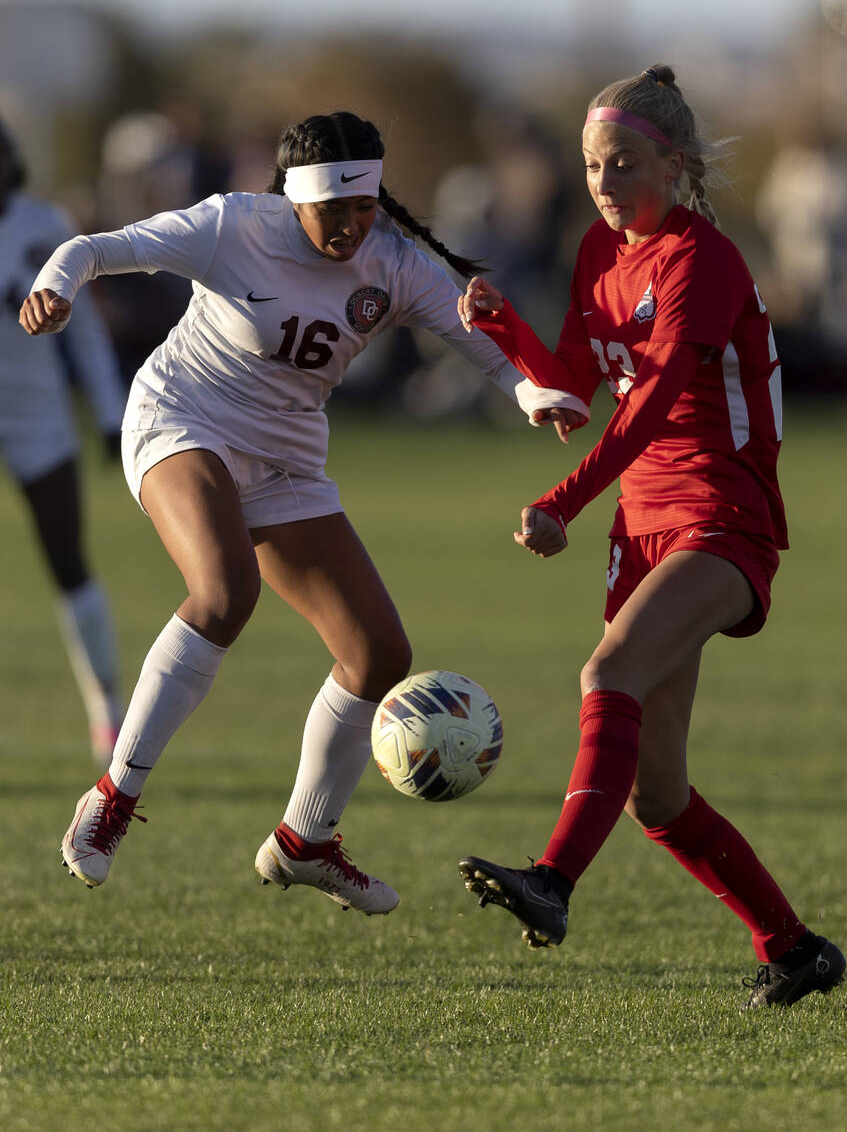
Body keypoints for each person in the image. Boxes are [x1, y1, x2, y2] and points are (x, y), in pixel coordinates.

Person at [21, 111, 585, 916]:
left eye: (363, 208)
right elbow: (97, 248)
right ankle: (113, 795)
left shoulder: (392, 262)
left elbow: (478, 339)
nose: (351, 227)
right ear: (294, 201)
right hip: (183, 419)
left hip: (286, 457)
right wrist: (54, 286)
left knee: (378, 651)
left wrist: (532, 393)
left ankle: (303, 842)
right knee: (224, 593)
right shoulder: (230, 225)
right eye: (333, 213)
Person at [456, 66, 846, 1009]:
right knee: (657, 797)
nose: (602, 181)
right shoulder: (599, 250)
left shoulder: (699, 260)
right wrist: (504, 329)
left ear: (673, 166)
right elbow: (575, 392)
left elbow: (654, 406)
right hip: (645, 526)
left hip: (722, 518)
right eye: (592, 164)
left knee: (607, 675)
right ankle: (795, 951)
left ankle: (549, 882)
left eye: (622, 163)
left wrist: (561, 503)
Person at [0, 117, 127, 766]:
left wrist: (110, 411)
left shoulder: (44, 224)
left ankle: (108, 709)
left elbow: (83, 332)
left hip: (37, 417)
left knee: (67, 558)